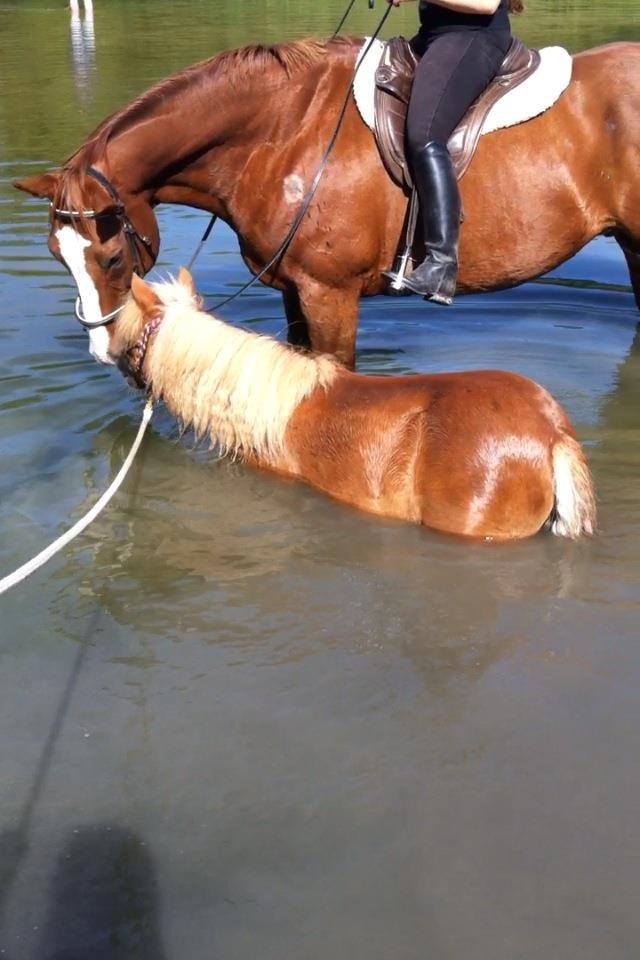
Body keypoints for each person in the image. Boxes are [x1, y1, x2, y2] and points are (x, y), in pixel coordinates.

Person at [386, 0, 524, 304]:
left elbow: (486, 5)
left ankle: (441, 263)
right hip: (433, 35)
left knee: (425, 134)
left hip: (474, 36)